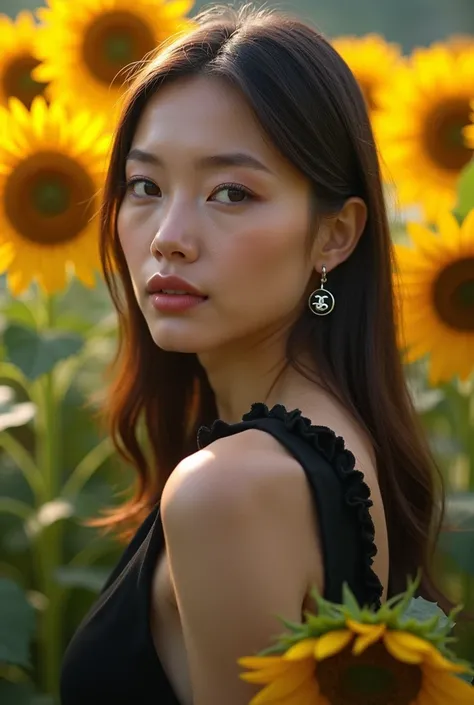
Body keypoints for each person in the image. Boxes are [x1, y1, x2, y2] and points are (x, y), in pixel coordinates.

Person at [60, 5, 450, 704]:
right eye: (145, 186)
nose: (169, 237)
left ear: (335, 235)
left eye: (230, 193)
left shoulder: (226, 489)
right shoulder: (345, 438)